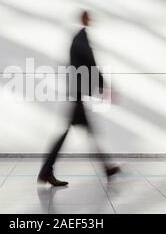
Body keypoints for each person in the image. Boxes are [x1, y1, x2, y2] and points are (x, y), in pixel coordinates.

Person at [38, 11, 120, 186]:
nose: (91, 21)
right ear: (84, 20)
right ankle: (46, 171)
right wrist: (104, 86)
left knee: (88, 131)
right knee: (77, 132)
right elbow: (90, 63)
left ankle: (107, 168)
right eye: (89, 18)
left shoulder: (77, 37)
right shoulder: (81, 38)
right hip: (77, 93)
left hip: (77, 93)